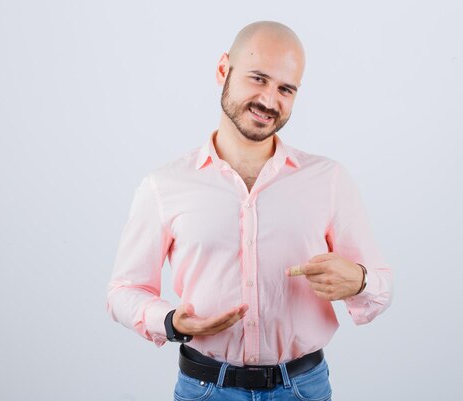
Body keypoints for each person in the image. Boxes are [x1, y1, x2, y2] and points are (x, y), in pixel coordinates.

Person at [107, 21, 393, 401]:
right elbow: (123, 290)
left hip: (302, 389)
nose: (269, 101)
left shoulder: (329, 180)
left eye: (285, 89)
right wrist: (171, 322)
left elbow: (381, 285)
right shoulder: (164, 185)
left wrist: (358, 281)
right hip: (206, 389)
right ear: (223, 69)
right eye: (258, 78)